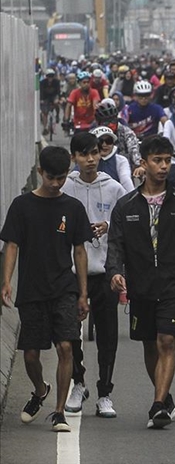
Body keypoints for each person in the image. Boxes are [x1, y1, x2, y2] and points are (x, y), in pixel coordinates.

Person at [106, 135, 175, 429]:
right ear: (143, 163)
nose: (164, 166)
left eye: (167, 161)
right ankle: (165, 397)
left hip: (174, 286)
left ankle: (158, 405)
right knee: (150, 344)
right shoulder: (126, 206)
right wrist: (115, 272)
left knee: (167, 341)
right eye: (157, 161)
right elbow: (116, 245)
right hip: (141, 288)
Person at [1, 146, 91, 433]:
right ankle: (40, 390)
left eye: (61, 178)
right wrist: (6, 281)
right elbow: (12, 245)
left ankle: (59, 411)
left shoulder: (73, 208)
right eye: (50, 177)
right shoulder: (22, 205)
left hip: (64, 288)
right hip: (31, 289)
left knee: (65, 346)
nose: (55, 183)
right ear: (40, 172)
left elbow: (80, 251)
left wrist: (83, 293)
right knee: (30, 355)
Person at [62, 133, 127, 417]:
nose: (90, 160)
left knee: (107, 334)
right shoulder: (66, 187)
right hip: (71, 272)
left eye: (95, 153)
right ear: (74, 157)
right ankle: (78, 383)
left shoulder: (113, 188)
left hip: (104, 272)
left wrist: (108, 225)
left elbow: (127, 223)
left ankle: (105, 393)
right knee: (70, 333)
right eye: (84, 154)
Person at [91, 126, 136, 193]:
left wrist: (133, 196)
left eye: (108, 141)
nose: (104, 144)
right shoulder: (86, 160)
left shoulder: (121, 160)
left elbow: (126, 180)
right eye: (100, 141)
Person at [40, 68, 62, 135]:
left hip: (53, 96)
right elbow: (41, 92)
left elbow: (58, 91)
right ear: (46, 76)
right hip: (45, 97)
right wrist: (41, 100)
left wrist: (58, 98)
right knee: (45, 113)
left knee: (56, 103)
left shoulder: (56, 82)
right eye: (49, 76)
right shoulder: (42, 82)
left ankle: (57, 114)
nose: (50, 78)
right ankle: (45, 127)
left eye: (51, 76)